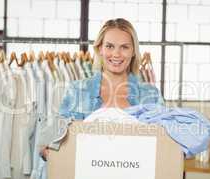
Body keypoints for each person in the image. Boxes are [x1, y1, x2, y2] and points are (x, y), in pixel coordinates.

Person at [40, 18, 164, 160]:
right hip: (87, 178)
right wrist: (47, 150)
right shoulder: (77, 91)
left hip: (135, 178)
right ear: (100, 49)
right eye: (110, 46)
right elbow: (53, 139)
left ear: (134, 51)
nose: (116, 54)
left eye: (124, 47)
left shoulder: (151, 95)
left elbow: (164, 143)